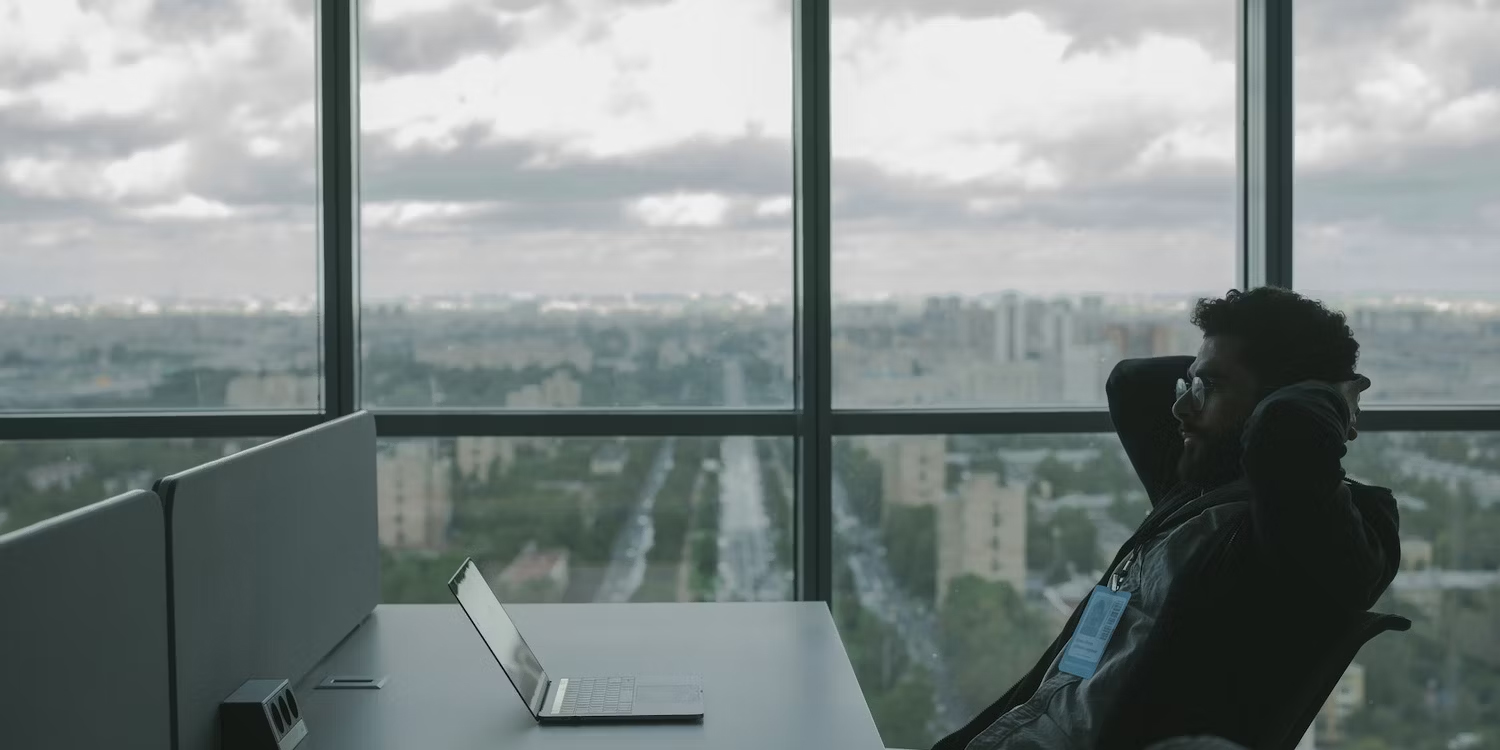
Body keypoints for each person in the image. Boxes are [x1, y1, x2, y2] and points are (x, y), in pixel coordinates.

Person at [934, 287, 1401, 750]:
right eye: (1191, 386)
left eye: (1209, 389)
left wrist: (1332, 394)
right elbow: (1131, 382)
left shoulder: (1319, 538)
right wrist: (1216, 377)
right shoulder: (1195, 488)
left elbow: (1286, 429)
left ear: (1273, 409)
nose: (1181, 408)